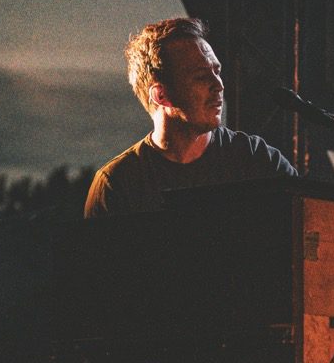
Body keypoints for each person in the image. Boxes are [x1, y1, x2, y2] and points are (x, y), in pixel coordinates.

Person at [84, 17, 297, 218]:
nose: (219, 85)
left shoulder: (257, 160)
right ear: (161, 95)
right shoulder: (117, 184)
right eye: (201, 77)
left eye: (217, 72)